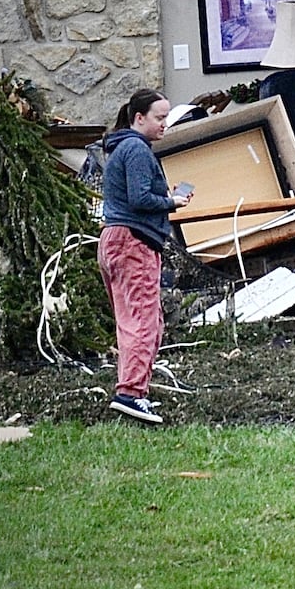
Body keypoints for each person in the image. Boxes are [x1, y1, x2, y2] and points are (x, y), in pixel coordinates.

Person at [98, 88, 192, 424]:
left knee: (132, 321)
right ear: (139, 118)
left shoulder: (122, 147)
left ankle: (133, 392)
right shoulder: (137, 149)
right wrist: (172, 202)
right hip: (133, 242)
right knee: (143, 321)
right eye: (160, 117)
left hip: (114, 239)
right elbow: (139, 199)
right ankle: (131, 394)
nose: (165, 123)